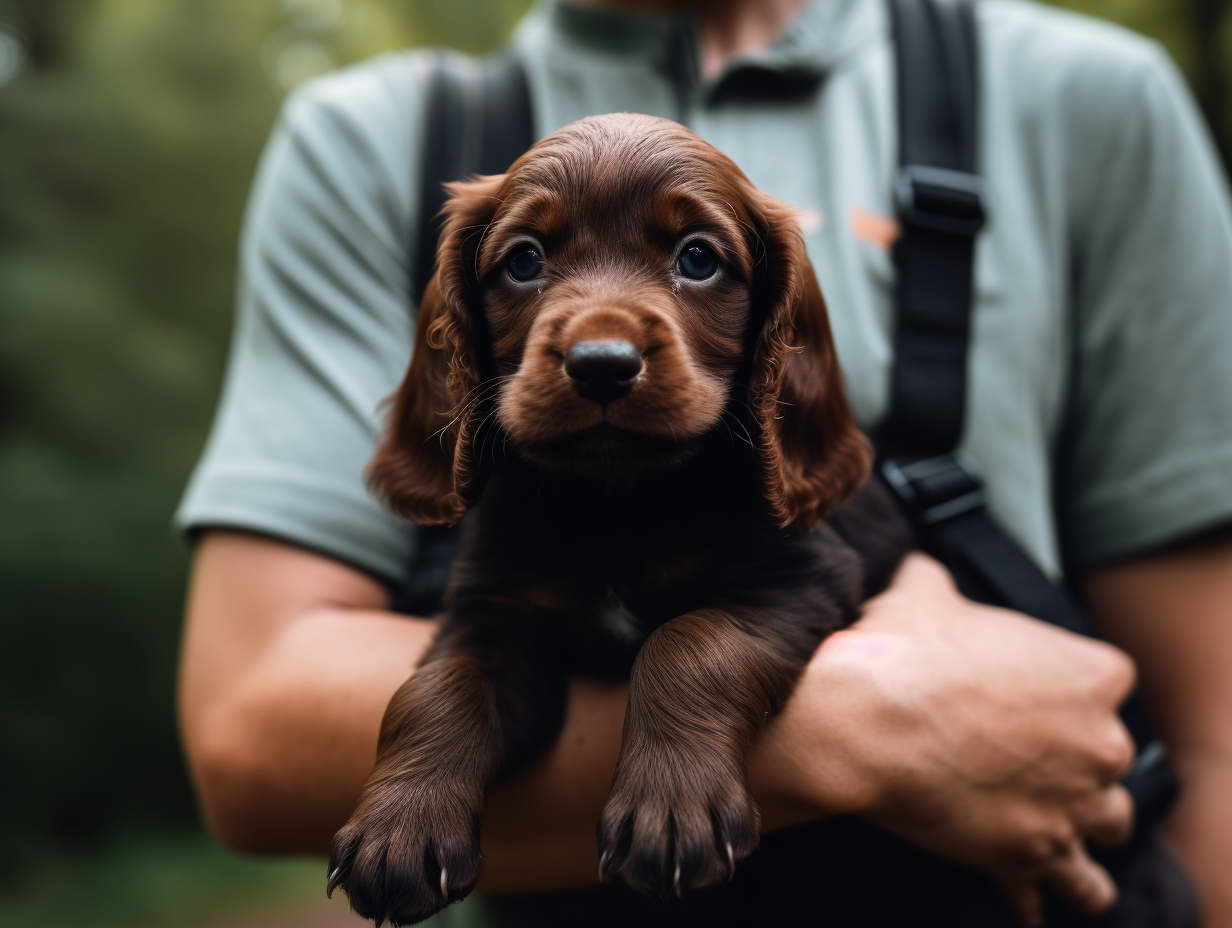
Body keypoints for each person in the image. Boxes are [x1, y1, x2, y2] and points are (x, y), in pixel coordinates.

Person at [175, 0, 1232, 924]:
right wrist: (871, 727)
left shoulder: (1087, 97)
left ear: (773, 327)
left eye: (696, 259)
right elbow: (255, 732)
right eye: (526, 262)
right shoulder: (369, 138)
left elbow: (1215, 745)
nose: (599, 336)